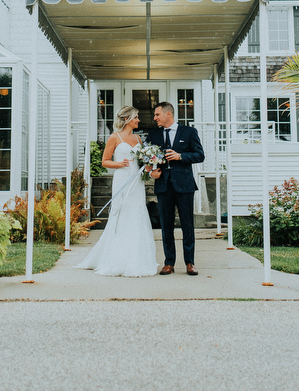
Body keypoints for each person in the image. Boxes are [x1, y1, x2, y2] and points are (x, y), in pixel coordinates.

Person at [76, 105, 158, 277]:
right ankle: (116, 258)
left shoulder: (138, 139)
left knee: (136, 214)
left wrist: (150, 166)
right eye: (136, 117)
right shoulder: (114, 137)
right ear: (127, 119)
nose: (138, 120)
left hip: (136, 182)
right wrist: (119, 164)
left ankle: (136, 257)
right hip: (122, 179)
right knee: (122, 214)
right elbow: (105, 161)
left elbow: (143, 162)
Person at [145, 102, 205, 276]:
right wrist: (151, 170)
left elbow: (199, 155)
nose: (155, 118)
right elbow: (146, 158)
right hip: (163, 185)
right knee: (166, 226)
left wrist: (181, 156)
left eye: (157, 115)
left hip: (184, 185)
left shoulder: (189, 132)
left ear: (168, 114)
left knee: (187, 225)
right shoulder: (153, 134)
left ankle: (190, 263)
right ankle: (168, 263)